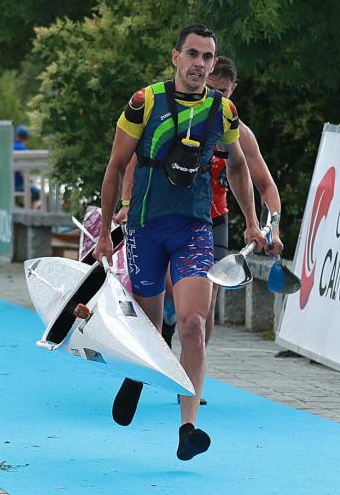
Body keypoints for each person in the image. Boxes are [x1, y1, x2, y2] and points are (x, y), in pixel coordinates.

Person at [93, 24, 265, 461]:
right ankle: (140, 372)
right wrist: (103, 236)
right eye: (193, 54)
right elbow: (116, 166)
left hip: (194, 231)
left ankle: (188, 427)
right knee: (151, 329)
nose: (200, 64)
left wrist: (252, 223)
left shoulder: (223, 111)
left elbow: (240, 169)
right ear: (175, 57)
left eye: (208, 57)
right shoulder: (144, 101)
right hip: (147, 230)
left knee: (191, 324)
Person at [115, 56, 284, 354]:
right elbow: (136, 162)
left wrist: (271, 227)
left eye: (225, 92)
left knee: (206, 302)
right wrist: (127, 201)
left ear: (234, 89)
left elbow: (267, 185)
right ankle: (169, 314)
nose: (217, 96)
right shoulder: (178, 120)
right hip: (165, 215)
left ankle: (193, 366)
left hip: (211, 221)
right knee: (171, 284)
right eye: (212, 88)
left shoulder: (239, 134)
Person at [12, 125, 41, 206]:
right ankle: (30, 212)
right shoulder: (23, 149)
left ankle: (24, 207)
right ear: (26, 138)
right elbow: (22, 171)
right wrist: (30, 179)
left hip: (6, 184)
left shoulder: (9, 146)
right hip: (18, 185)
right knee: (38, 193)